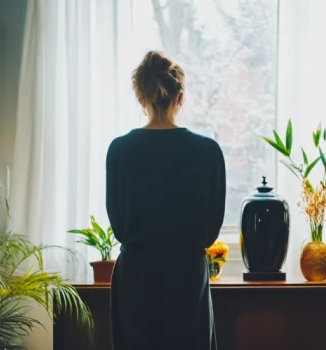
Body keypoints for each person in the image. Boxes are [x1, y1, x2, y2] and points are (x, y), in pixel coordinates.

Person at [106, 51, 226, 349]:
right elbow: (211, 230)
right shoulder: (208, 151)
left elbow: (120, 226)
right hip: (186, 276)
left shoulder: (120, 150)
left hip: (137, 278)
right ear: (180, 98)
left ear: (141, 97)